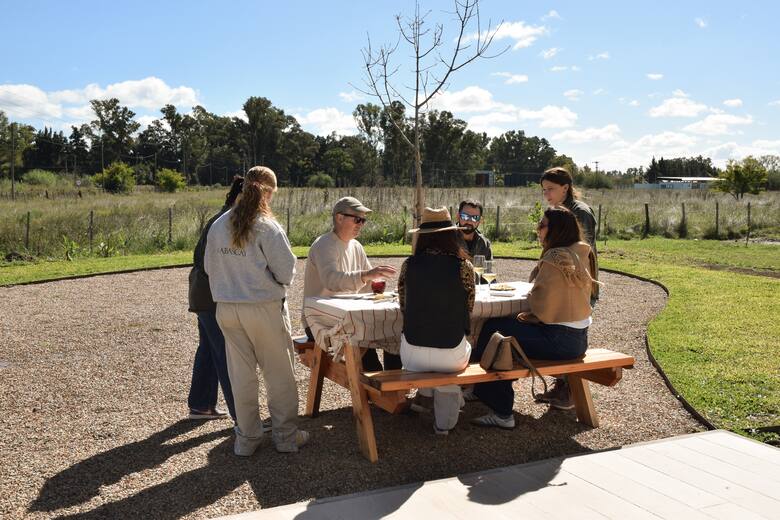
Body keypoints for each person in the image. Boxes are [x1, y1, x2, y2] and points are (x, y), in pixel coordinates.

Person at [205, 166, 308, 456]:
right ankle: (286, 437)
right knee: (279, 374)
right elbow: (286, 272)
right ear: (270, 192)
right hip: (262, 307)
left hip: (227, 307)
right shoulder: (267, 226)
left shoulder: (218, 225)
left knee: (241, 375)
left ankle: (247, 439)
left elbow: (209, 268)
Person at [469, 206, 598, 429]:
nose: (537, 229)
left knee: (495, 332)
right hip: (579, 340)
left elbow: (541, 303)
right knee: (505, 332)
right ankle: (482, 391)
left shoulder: (554, 256)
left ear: (554, 229)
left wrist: (527, 309)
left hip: (558, 340)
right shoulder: (580, 252)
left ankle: (496, 405)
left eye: (541, 225)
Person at [399, 207, 475, 434]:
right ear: (452, 235)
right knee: (464, 350)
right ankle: (445, 423)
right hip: (450, 354)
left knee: (426, 347)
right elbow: (468, 307)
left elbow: (403, 306)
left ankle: (426, 396)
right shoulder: (464, 267)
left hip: (412, 357)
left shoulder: (408, 265)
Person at [302, 196, 399, 371]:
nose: (361, 224)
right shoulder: (324, 245)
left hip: (350, 319)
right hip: (320, 321)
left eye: (363, 221)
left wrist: (383, 288)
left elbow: (370, 283)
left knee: (394, 331)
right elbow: (331, 280)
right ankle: (377, 391)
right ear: (339, 218)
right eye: (357, 219)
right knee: (367, 349)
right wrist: (367, 275)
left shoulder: (356, 246)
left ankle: (395, 386)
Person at [537, 167, 601, 408]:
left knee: (568, 330)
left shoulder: (580, 212)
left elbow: (580, 252)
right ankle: (562, 385)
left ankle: (570, 391)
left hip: (578, 284)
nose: (547, 195)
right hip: (562, 282)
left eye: (551, 189)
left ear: (566, 187)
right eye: (544, 190)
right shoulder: (557, 211)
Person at [186, 176, 243, 422]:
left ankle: (201, 404)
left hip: (202, 291)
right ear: (240, 196)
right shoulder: (226, 221)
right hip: (211, 293)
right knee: (226, 352)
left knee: (209, 349)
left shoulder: (222, 218)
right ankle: (241, 416)